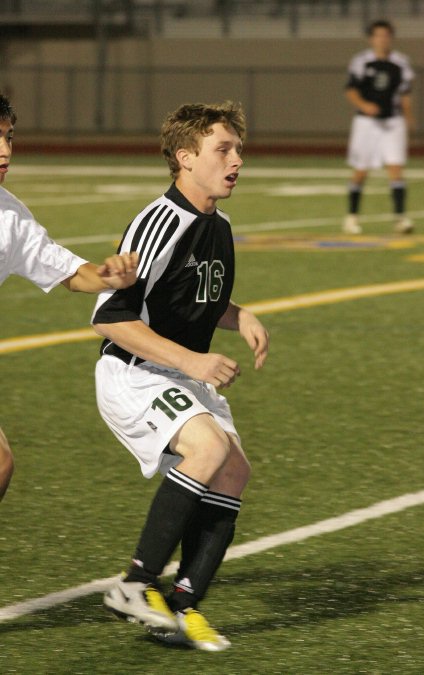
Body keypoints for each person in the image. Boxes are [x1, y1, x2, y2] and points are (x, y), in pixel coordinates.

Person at [92, 101, 269, 652]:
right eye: (224, 149)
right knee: (209, 450)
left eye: (238, 149)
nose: (237, 159)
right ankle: (136, 584)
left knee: (233, 473)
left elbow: (192, 294)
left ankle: (183, 608)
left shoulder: (219, 224)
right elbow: (111, 317)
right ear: (185, 157)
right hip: (135, 371)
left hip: (179, 375)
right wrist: (193, 361)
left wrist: (238, 315)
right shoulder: (160, 221)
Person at [0, 92, 139, 501]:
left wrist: (107, 276)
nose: (5, 150)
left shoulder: (10, 217)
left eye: (9, 138)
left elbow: (70, 273)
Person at [343, 19, 415, 235]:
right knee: (361, 171)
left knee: (396, 168)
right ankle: (352, 217)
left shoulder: (401, 62)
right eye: (378, 35)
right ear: (371, 38)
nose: (382, 39)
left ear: (391, 37)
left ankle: (400, 219)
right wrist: (364, 105)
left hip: (393, 121)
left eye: (386, 35)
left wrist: (408, 116)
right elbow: (351, 90)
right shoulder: (361, 61)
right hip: (366, 123)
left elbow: (405, 94)